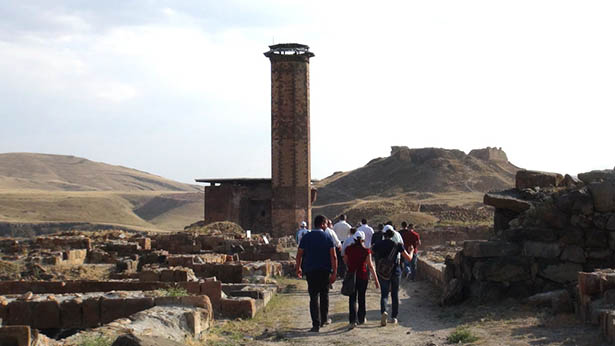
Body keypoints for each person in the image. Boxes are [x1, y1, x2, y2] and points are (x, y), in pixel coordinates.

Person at [296, 215, 338, 332]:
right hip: (324, 271)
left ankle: (315, 324)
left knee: (313, 296)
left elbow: (299, 254)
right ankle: (324, 319)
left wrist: (298, 267)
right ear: (323, 224)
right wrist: (334, 272)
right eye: (326, 224)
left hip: (310, 270)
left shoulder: (306, 237)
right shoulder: (327, 237)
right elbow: (333, 256)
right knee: (324, 295)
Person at [372, 228, 414, 327]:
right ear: (392, 235)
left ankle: (384, 312)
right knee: (394, 294)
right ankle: (394, 317)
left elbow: (370, 252)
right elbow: (409, 258)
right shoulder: (397, 245)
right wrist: (411, 251)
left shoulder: (378, 244)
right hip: (395, 271)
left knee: (384, 294)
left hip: (383, 272)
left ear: (384, 235)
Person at [343, 231, 379, 329]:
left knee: (352, 298)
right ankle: (361, 318)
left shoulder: (348, 249)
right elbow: (370, 266)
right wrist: (376, 280)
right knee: (361, 297)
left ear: (354, 239)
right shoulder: (366, 251)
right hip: (362, 276)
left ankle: (352, 320)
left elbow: (345, 260)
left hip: (351, 276)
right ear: (363, 240)